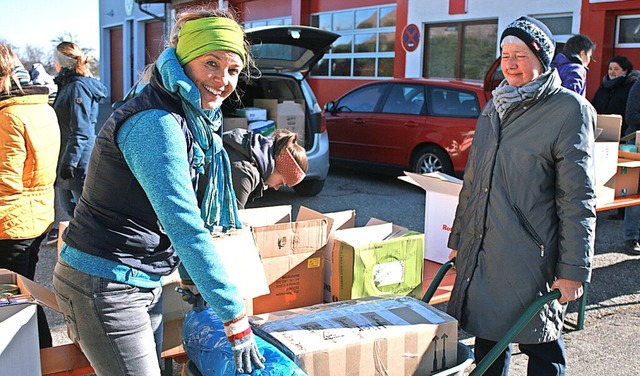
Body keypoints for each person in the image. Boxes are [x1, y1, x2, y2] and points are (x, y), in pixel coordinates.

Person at [51, 6, 265, 375]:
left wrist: (191, 280)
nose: (224, 79)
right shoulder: (157, 122)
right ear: (184, 62)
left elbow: (172, 220)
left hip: (137, 279)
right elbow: (184, 224)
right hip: (104, 283)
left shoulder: (191, 116)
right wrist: (234, 315)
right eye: (211, 63)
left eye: (232, 70)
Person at [446, 16, 596, 375]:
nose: (510, 64)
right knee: (488, 343)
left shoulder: (568, 110)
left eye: (520, 55)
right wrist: (458, 237)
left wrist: (574, 271)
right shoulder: (495, 105)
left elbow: (578, 199)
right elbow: (473, 182)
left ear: (542, 58)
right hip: (486, 249)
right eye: (504, 54)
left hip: (533, 258)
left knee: (541, 344)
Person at [0, 43, 60, 348]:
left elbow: (5, 183)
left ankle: (32, 360)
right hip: (34, 217)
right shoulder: (40, 105)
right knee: (26, 299)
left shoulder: (9, 115)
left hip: (11, 225)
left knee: (13, 306)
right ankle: (41, 358)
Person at [48, 41, 107, 244]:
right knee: (73, 213)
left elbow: (81, 130)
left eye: (55, 59)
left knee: (83, 216)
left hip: (76, 161)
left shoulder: (76, 88)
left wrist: (69, 163)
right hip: (69, 157)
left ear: (62, 62)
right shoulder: (68, 85)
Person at [590, 55, 638, 220]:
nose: (612, 72)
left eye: (616, 69)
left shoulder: (630, 86)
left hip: (623, 134)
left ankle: (622, 210)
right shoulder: (603, 87)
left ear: (625, 71)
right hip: (603, 133)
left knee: (623, 175)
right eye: (610, 68)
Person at [223, 128, 307, 209]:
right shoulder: (246, 173)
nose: (276, 188)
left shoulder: (247, 148)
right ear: (279, 167)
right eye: (281, 183)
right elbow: (231, 219)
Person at [621, 78, 640, 255]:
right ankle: (632, 237)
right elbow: (631, 115)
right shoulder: (639, 84)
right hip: (637, 143)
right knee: (636, 193)